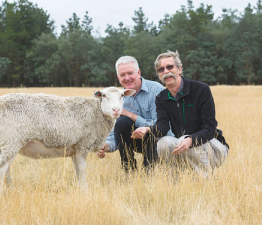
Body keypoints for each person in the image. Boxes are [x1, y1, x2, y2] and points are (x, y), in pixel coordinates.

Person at [131, 50, 229, 178]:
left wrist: (191, 140)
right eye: (161, 69)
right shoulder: (161, 98)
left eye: (170, 67)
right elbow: (162, 128)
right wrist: (147, 129)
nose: (166, 71)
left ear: (179, 69)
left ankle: (206, 180)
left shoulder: (201, 89)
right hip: (184, 147)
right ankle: (176, 181)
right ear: (159, 75)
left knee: (183, 139)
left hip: (213, 147)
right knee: (163, 142)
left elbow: (209, 128)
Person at [97, 56, 173, 171]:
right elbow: (117, 132)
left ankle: (149, 170)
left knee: (150, 133)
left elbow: (161, 127)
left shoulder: (156, 90)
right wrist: (105, 146)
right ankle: (129, 169)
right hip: (136, 140)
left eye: (130, 73)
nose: (127, 78)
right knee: (121, 122)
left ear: (138, 72)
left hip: (158, 140)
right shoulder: (118, 97)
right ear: (118, 78)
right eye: (122, 75)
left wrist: (131, 115)